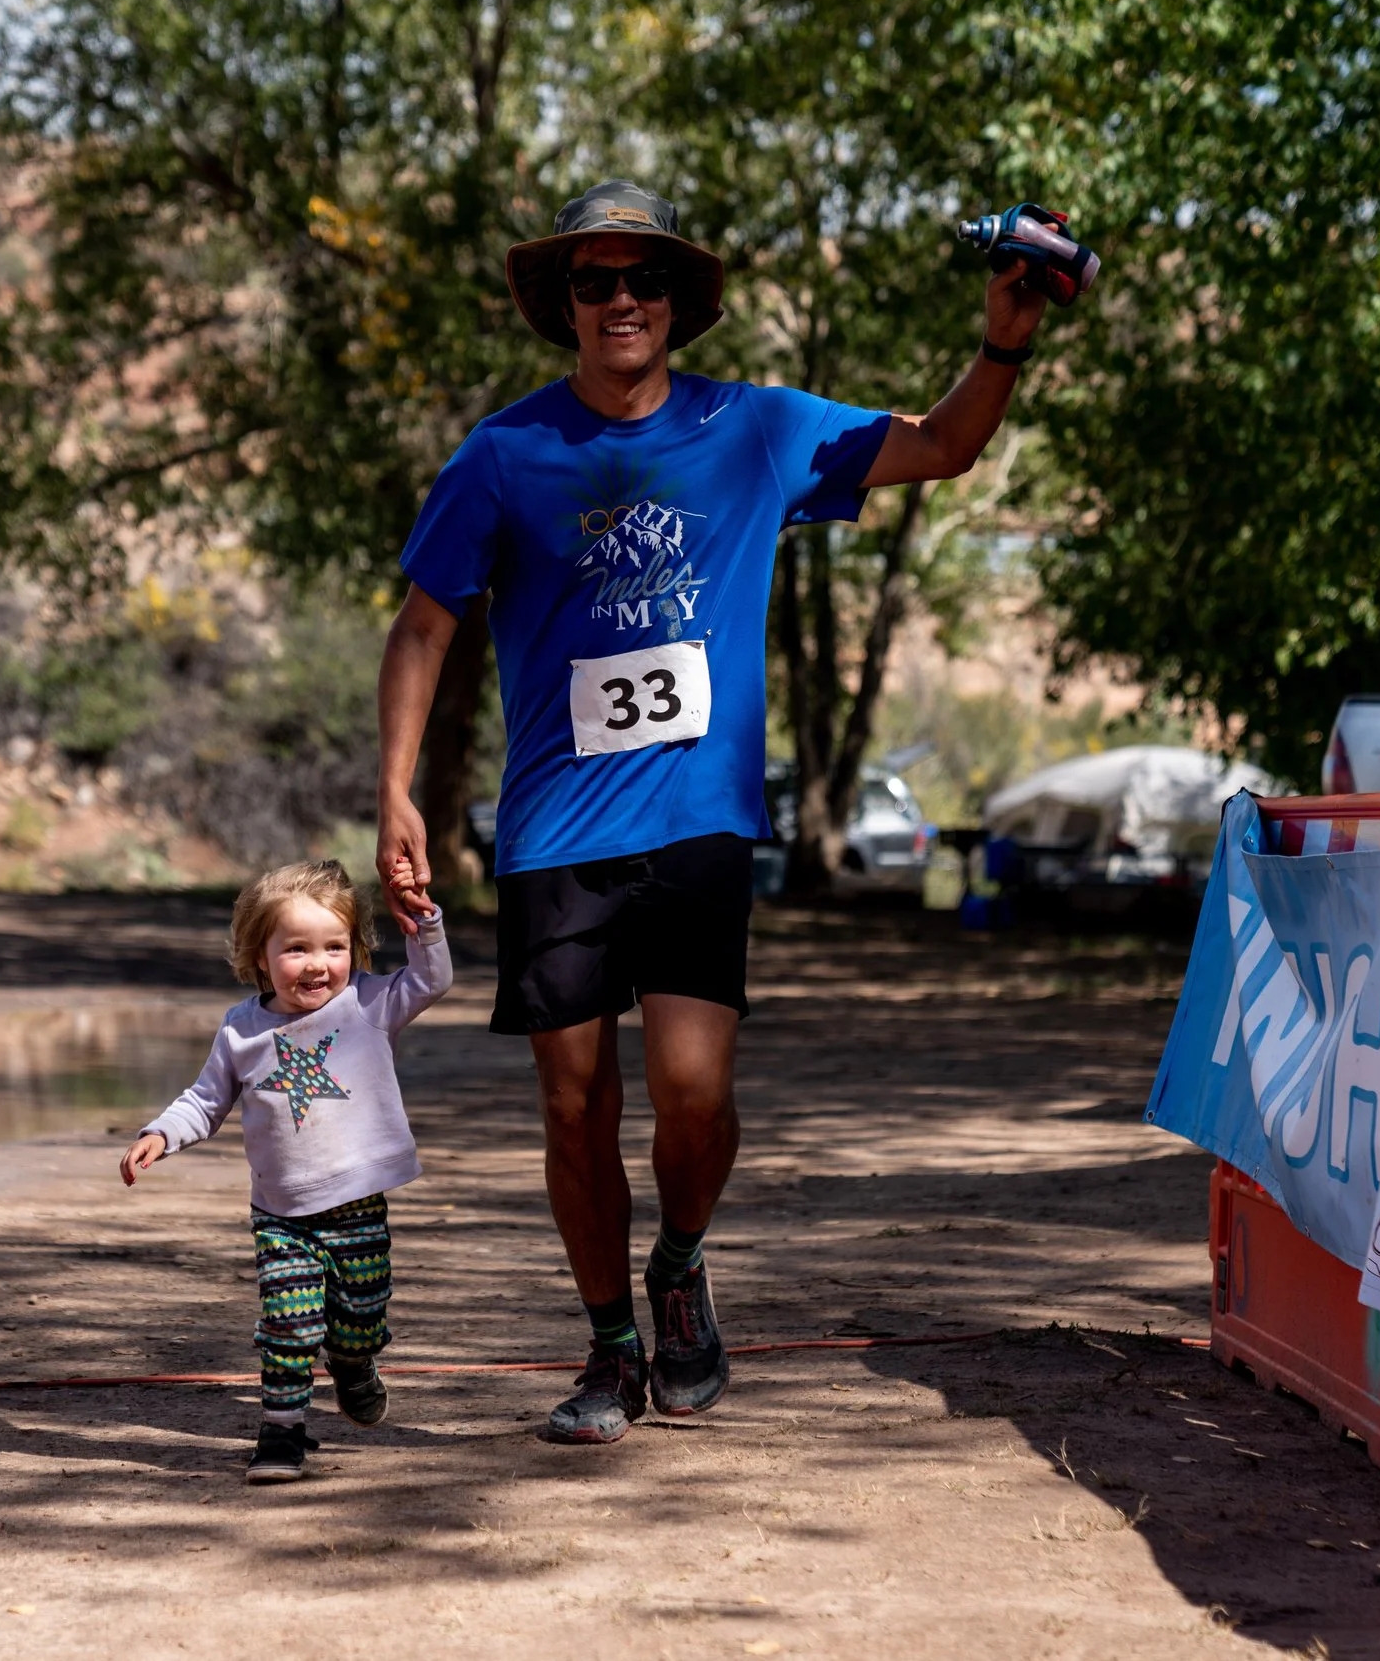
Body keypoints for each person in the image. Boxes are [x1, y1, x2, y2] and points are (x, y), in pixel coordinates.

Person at [374, 180, 1064, 1443]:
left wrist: (1003, 338)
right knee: (573, 1107)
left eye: (643, 279)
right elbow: (425, 623)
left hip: (696, 820)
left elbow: (943, 445)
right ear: (565, 306)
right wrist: (395, 796)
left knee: (691, 1093)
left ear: (680, 303)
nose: (621, 299)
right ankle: (605, 1350)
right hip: (552, 830)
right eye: (595, 281)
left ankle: (679, 1260)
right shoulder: (504, 454)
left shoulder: (755, 431)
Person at [120, 859, 451, 1482]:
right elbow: (205, 1099)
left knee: (359, 1318)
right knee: (289, 1322)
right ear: (260, 954)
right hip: (281, 1214)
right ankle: (281, 1435)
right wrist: (161, 1133)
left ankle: (354, 1364)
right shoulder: (242, 1029)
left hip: (357, 1205)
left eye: (334, 946)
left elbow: (432, 979)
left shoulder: (370, 1005)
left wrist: (423, 920)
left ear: (354, 950)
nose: (317, 964)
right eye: (296, 948)